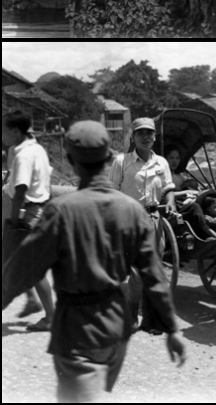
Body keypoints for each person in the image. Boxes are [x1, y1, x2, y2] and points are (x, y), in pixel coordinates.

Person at [2, 120, 186, 403]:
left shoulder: (61, 210)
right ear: (108, 159)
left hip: (77, 328)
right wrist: (172, 329)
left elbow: (20, 271)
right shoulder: (133, 212)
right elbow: (154, 274)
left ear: (70, 160)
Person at [108, 117, 176, 332]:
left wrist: (171, 201)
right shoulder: (122, 162)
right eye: (141, 133)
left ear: (155, 137)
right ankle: (132, 307)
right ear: (133, 137)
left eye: (149, 133)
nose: (146, 137)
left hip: (155, 220)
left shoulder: (162, 163)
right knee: (138, 272)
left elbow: (168, 187)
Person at [2, 110, 55, 332]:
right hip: (39, 210)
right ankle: (44, 310)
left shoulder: (23, 156)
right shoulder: (37, 149)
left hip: (26, 214)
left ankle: (50, 316)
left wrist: (14, 221)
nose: (2, 135)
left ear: (15, 131)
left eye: (3, 130)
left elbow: (21, 189)